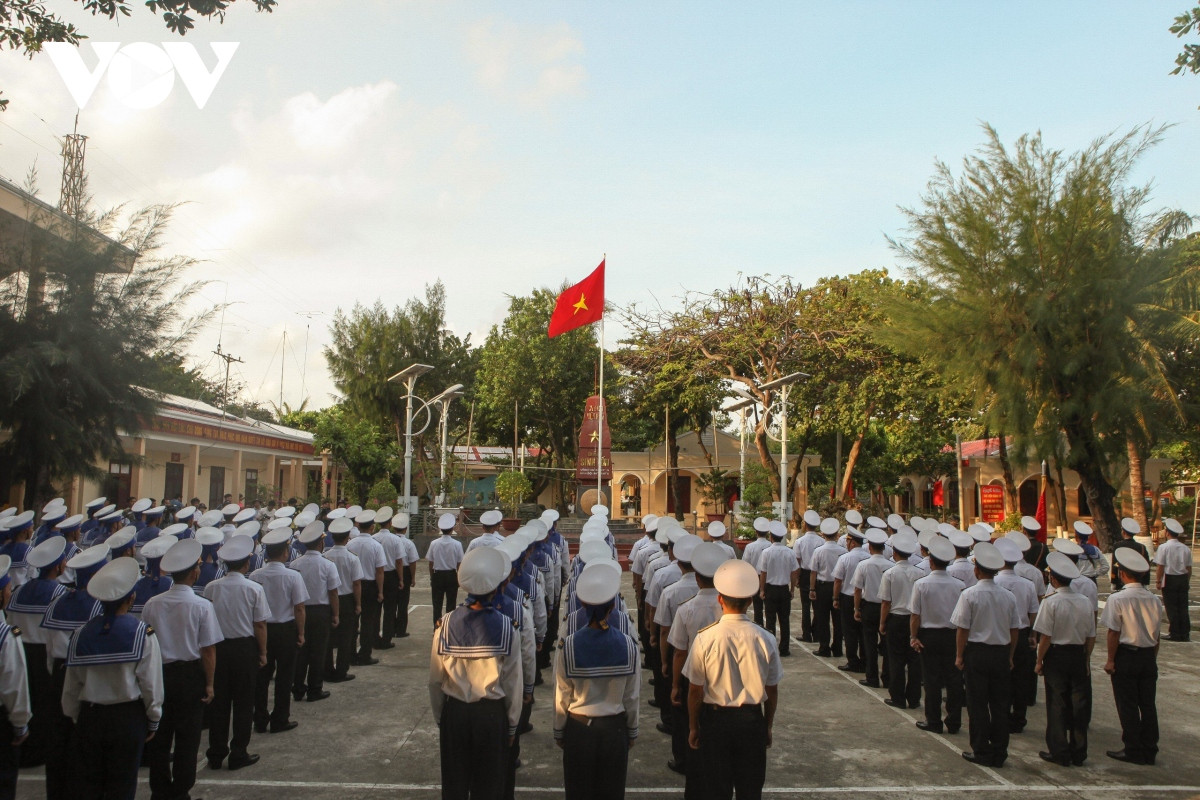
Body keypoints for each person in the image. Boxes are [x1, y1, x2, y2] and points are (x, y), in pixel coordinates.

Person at [61, 557, 163, 800]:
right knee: (123, 785)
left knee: (91, 785)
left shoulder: (79, 635)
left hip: (90, 716)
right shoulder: (142, 633)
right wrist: (153, 718)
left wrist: (78, 716)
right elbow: (150, 684)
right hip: (126, 718)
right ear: (131, 598)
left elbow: (71, 686)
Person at [429, 547, 523, 800]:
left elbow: (436, 681)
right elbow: (513, 683)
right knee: (489, 786)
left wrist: (442, 718)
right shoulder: (506, 627)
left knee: (455, 785)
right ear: (495, 587)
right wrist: (513, 725)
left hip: (455, 712)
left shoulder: (445, 624)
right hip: (491, 715)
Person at [684, 559, 782, 800]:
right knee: (750, 790)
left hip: (716, 720)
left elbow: (695, 691)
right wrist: (767, 725)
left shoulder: (706, 639)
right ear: (750, 601)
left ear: (720, 599)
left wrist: (694, 726)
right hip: (751, 720)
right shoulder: (765, 638)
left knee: (716, 789)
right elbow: (772, 690)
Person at [141, 539, 223, 800]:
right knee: (188, 738)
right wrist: (210, 684)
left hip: (160, 674)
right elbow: (207, 649)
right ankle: (181, 791)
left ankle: (160, 790)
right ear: (195, 573)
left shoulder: (152, 603)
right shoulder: (202, 606)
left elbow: (145, 643)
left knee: (160, 736)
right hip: (189, 675)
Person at [554, 562, 639, 800]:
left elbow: (562, 695)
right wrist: (632, 730)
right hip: (614, 729)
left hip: (579, 729)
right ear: (614, 606)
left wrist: (559, 730)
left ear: (582, 604)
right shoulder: (628, 645)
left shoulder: (568, 645)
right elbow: (631, 696)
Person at [951, 542, 1021, 767]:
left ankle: (981, 750)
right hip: (1000, 653)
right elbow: (1014, 629)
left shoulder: (969, 594)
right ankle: (1000, 752)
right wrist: (1009, 655)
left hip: (977, 653)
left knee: (977, 704)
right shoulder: (1008, 596)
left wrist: (960, 656)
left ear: (977, 570)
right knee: (1000, 704)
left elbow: (963, 628)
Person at [667, 543, 728, 800]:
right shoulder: (727, 606)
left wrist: (674, 685)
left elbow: (680, 651)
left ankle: (693, 780)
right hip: (723, 678)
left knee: (691, 728)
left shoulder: (687, 608)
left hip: (693, 674)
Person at [204, 535, 269, 771]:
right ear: (246, 564)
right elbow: (259, 624)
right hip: (244, 648)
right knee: (243, 702)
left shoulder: (212, 588)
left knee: (219, 704)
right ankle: (238, 752)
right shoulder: (254, 588)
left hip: (218, 647)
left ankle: (215, 752)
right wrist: (262, 653)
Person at [7, 536, 68, 769]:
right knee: (45, 706)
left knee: (27, 698)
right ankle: (38, 750)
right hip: (45, 652)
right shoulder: (60, 593)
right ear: (57, 566)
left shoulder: (20, 591)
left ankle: (24, 748)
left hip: (22, 649)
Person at [1101, 548, 1163, 765]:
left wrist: (1110, 659)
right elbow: (1156, 636)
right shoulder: (1154, 599)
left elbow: (1114, 632)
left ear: (1123, 574)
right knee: (1147, 704)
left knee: (1127, 704)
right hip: (1147, 656)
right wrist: (1151, 657)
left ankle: (1133, 747)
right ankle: (1150, 747)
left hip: (1127, 655)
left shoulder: (1118, 599)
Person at [1033, 552, 1095, 766]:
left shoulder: (1051, 602)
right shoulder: (1085, 602)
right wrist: (1086, 659)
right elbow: (1091, 636)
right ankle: (1079, 750)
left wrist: (1039, 660)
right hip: (1078, 654)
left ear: (1053, 579)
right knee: (1079, 703)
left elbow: (1046, 637)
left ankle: (1059, 750)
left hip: (1057, 655)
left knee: (1057, 703)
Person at [250, 528, 307, 733]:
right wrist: (300, 633)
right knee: (284, 677)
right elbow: (299, 607)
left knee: (262, 678)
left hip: (262, 629)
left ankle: (260, 718)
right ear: (285, 552)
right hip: (285, 630)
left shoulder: (255, 575)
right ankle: (280, 718)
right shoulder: (292, 576)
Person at [909, 535, 964, 734]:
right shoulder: (959, 585)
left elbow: (915, 615)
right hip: (952, 635)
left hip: (929, 636)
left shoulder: (921, 584)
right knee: (953, 680)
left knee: (931, 681)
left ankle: (933, 721)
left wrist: (913, 637)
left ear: (931, 562)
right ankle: (954, 721)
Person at [655, 534, 701, 774]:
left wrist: (664, 661)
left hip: (681, 653)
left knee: (681, 707)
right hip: (709, 659)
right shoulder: (719, 599)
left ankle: (682, 758)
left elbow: (664, 631)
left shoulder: (670, 589)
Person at [993, 537, 1040, 734]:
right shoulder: (1027, 584)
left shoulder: (994, 581)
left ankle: (1001, 715)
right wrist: (1032, 634)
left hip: (999, 634)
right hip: (1021, 634)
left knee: (1000, 679)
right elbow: (1033, 612)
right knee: (1020, 678)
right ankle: (1019, 717)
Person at [289, 522, 340, 703]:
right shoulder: (327, 565)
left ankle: (297, 688)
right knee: (318, 652)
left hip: (299, 610)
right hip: (320, 611)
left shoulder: (294, 564)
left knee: (300, 651)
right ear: (320, 543)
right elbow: (333, 592)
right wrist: (335, 614)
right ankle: (314, 689)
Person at [878, 531, 923, 710]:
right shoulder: (920, 573)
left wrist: (882, 623)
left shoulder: (890, 573)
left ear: (895, 553)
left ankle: (897, 697)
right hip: (915, 619)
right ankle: (913, 698)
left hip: (896, 619)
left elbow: (886, 602)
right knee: (914, 661)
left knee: (896, 660)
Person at [0, 555, 29, 800]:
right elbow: (13, 685)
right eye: (7, 588)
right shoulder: (7, 636)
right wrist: (20, 724)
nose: (10, 592)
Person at [323, 518, 365, 683]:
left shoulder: (325, 556)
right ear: (348, 537)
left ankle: (327, 669)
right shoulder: (352, 558)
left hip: (329, 598)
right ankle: (341, 670)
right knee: (346, 637)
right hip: (347, 599)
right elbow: (356, 583)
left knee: (329, 637)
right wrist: (359, 603)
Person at [851, 529, 893, 690]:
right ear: (883, 548)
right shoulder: (891, 566)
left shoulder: (864, 565)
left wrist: (856, 608)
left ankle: (872, 677)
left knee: (869, 644)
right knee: (886, 645)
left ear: (870, 548)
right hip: (887, 607)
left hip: (868, 606)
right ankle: (887, 678)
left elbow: (857, 589)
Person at [347, 512, 387, 665]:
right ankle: (365, 654)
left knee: (353, 622)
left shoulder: (350, 544)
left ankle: (350, 654)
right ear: (372, 527)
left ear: (358, 526)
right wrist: (381, 591)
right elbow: (380, 571)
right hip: (370, 585)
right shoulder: (376, 545)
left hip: (354, 585)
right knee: (368, 622)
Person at [757, 522, 798, 658]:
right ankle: (784, 648)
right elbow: (794, 572)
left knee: (770, 620)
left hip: (771, 589)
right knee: (784, 620)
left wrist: (762, 589)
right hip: (784, 589)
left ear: (771, 537)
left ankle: (771, 648)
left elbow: (763, 573)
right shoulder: (790, 552)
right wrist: (792, 589)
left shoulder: (767, 552)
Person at [809, 518, 846, 658]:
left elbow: (814, 571)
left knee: (822, 618)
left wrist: (812, 589)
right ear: (837, 534)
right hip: (838, 587)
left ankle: (824, 647)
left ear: (823, 534)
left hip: (822, 586)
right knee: (838, 620)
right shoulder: (843, 551)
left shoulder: (819, 551)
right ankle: (837, 648)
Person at [833, 527, 868, 672]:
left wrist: (835, 598)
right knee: (863, 633)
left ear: (853, 543)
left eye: (848, 541)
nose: (847, 543)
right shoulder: (868, 558)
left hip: (847, 598)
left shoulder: (845, 558)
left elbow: (838, 580)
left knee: (849, 631)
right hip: (865, 599)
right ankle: (865, 661)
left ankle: (853, 661)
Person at [1155, 518, 1192, 641]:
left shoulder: (1164, 547)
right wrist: (1187, 581)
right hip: (1182, 578)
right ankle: (1185, 633)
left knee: (1172, 607)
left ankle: (1175, 633)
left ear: (1167, 533)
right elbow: (1189, 568)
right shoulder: (1185, 548)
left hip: (1170, 578)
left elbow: (1160, 566)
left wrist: (1158, 580)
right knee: (1183, 606)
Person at [372, 508, 404, 649]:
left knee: (375, 610)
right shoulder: (395, 539)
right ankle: (387, 638)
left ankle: (374, 637)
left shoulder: (373, 539)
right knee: (390, 609)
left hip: (375, 576)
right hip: (390, 575)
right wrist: (401, 579)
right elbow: (399, 562)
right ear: (390, 523)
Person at [792, 511, 824, 644]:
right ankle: (816, 633)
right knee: (817, 606)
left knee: (805, 606)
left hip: (805, 573)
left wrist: (797, 578)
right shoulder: (822, 541)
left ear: (805, 525)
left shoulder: (800, 542)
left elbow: (797, 562)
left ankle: (807, 633)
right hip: (819, 574)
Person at [427, 513, 465, 622]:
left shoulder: (434, 543)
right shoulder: (457, 544)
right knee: (451, 604)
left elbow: (430, 562)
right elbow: (459, 564)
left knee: (437, 604)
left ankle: (436, 628)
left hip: (437, 574)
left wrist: (432, 576)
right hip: (451, 575)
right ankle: (448, 628)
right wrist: (458, 577)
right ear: (452, 528)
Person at [392, 513, 420, 639]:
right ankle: (401, 630)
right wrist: (413, 577)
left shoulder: (390, 541)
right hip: (405, 570)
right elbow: (413, 562)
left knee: (391, 603)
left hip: (391, 571)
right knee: (403, 603)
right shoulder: (409, 543)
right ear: (406, 529)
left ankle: (390, 628)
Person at [740, 517, 772, 626]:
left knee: (757, 606)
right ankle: (769, 628)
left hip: (754, 577)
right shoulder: (771, 546)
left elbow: (745, 564)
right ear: (767, 532)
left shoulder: (750, 547)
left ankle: (759, 626)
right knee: (769, 607)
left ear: (756, 532)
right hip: (769, 579)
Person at [1111, 518, 1150, 591]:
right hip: (1138, 580)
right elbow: (1146, 565)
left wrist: (1114, 581)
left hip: (1122, 580)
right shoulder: (1141, 547)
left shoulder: (1118, 545)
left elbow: (1115, 564)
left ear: (1123, 532)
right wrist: (1146, 582)